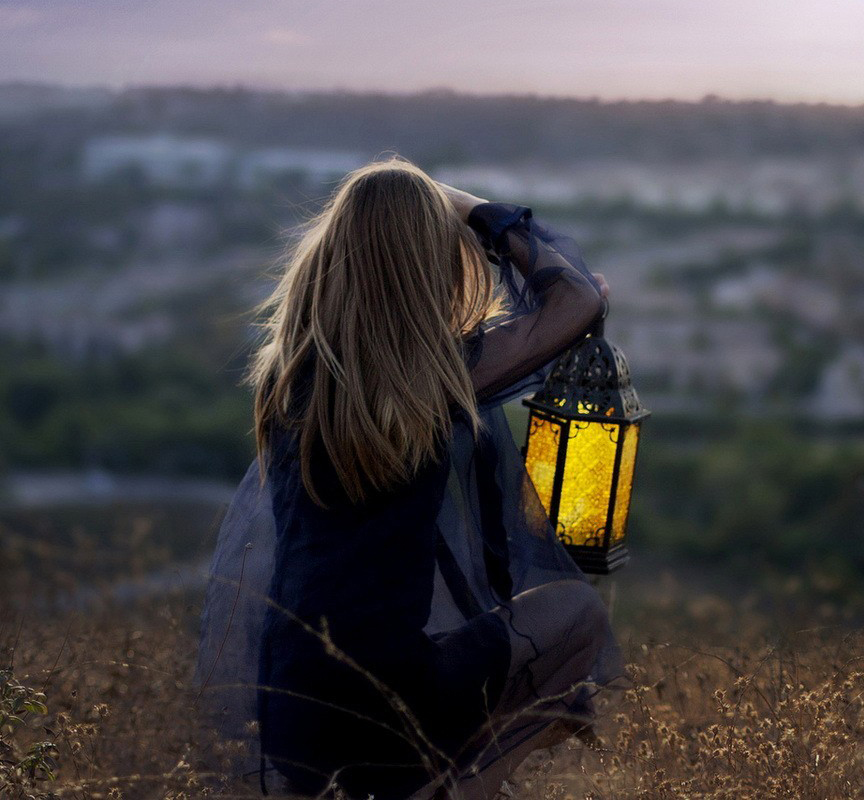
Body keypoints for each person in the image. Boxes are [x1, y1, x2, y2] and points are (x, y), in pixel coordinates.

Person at [195, 157, 625, 799]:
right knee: (578, 617)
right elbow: (578, 297)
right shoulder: (435, 381)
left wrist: (390, 198)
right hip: (386, 704)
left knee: (450, 648)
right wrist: (462, 205)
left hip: (290, 704)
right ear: (424, 267)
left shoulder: (289, 378)